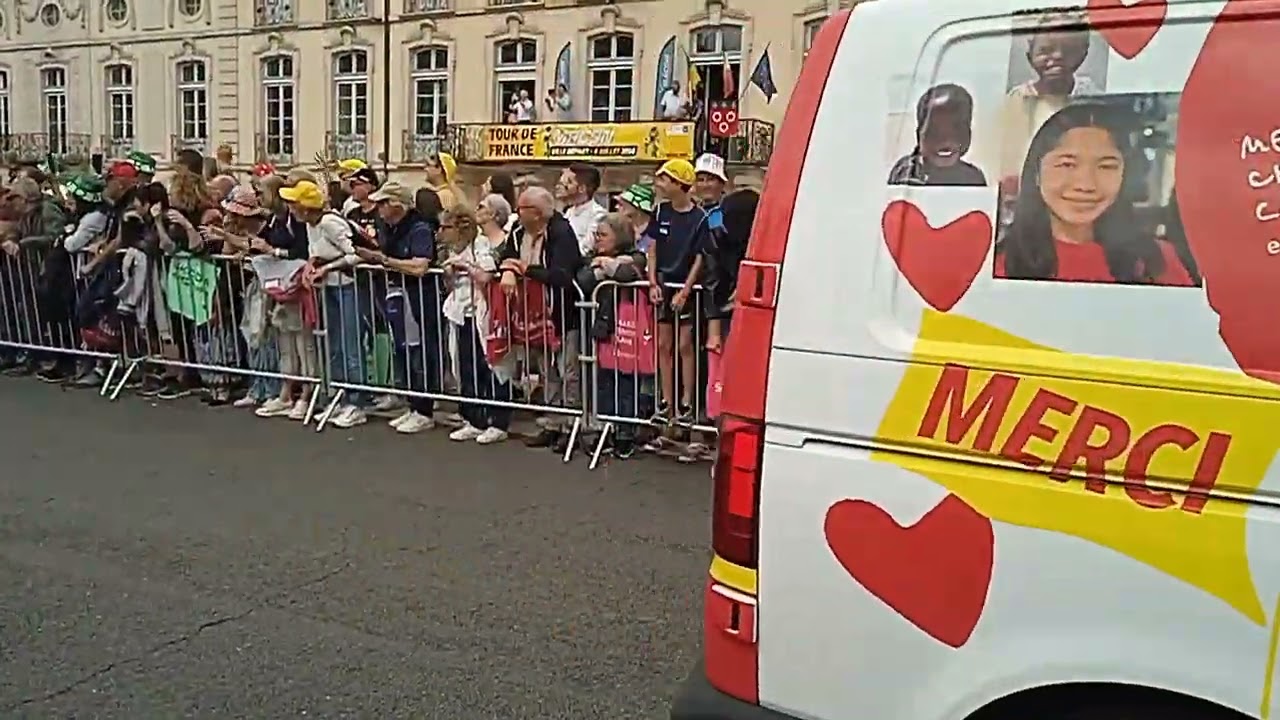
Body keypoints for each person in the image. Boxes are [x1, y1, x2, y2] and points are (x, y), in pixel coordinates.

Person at [995, 102, 1193, 286]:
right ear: (1036, 173)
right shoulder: (1000, 262)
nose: (1085, 184)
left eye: (1106, 166)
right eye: (1067, 164)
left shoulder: (1158, 260)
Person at [497, 186, 584, 451]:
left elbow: (561, 275)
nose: (517, 214)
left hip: (561, 311)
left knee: (568, 370)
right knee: (547, 371)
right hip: (532, 313)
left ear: (536, 213)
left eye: (521, 209)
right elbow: (505, 254)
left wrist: (526, 269)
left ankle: (571, 426)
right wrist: (508, 271)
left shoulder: (561, 232)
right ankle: (551, 423)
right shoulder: (519, 231)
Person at [277, 180, 369, 428]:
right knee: (335, 345)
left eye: (294, 204)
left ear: (305, 207)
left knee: (351, 345)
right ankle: (341, 395)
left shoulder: (330, 222)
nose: (290, 208)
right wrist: (310, 266)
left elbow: (356, 253)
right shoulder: (311, 225)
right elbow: (315, 252)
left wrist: (326, 267)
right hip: (330, 287)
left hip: (348, 286)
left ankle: (356, 401)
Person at [354, 181, 440, 434]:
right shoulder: (389, 228)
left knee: (419, 352)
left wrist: (384, 260)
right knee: (402, 349)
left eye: (383, 203)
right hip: (395, 294)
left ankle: (424, 408)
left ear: (397, 204)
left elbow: (420, 265)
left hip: (417, 298)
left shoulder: (419, 229)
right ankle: (413, 404)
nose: (378, 208)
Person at [577, 213, 649, 458]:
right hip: (603, 326)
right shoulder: (592, 258)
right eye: (596, 235)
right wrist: (604, 268)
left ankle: (625, 434)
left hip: (628, 328)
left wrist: (608, 266)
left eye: (603, 235)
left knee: (626, 382)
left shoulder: (637, 256)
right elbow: (583, 280)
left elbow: (627, 274)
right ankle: (605, 427)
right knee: (604, 380)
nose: (598, 240)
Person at [648, 159, 710, 426]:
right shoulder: (660, 212)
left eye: (664, 179)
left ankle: (686, 399)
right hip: (663, 282)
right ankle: (666, 399)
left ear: (679, 184)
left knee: (685, 344)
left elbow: (700, 257)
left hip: (686, 286)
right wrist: (652, 282)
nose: (658, 183)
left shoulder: (700, 218)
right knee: (664, 344)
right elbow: (651, 248)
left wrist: (685, 290)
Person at [441, 201, 509, 445]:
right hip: (459, 312)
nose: (442, 232)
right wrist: (449, 273)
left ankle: (497, 420)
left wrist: (465, 267)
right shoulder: (452, 249)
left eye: (446, 227)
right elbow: (450, 285)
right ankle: (473, 418)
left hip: (482, 312)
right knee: (465, 367)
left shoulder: (479, 245)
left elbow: (486, 275)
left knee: (489, 367)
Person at [254, 175, 318, 421]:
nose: (259, 197)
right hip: (281, 285)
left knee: (304, 342)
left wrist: (273, 251)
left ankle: (306, 393)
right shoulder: (274, 220)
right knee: (285, 343)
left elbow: (303, 250)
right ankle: (286, 392)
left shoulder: (297, 221)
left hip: (297, 285)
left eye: (262, 192)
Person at [888, 84, 988, 187]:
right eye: (934, 132)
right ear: (919, 136)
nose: (945, 140)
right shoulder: (907, 173)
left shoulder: (972, 178)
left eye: (956, 130)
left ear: (967, 135)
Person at [555, 163, 607, 255]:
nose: (559, 187)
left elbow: (585, 250)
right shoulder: (569, 212)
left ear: (582, 188)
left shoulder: (598, 215)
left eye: (568, 182)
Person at [616, 183, 657, 253]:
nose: (617, 207)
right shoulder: (623, 227)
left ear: (637, 206)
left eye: (622, 204)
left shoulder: (655, 231)